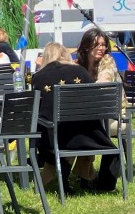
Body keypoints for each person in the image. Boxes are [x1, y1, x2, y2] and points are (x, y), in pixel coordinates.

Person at [33, 41, 118, 192]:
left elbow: (40, 108)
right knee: (83, 125)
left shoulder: (39, 77)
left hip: (56, 136)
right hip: (90, 136)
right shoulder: (80, 71)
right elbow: (94, 100)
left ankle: (60, 180)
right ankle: (96, 183)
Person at [75, 28, 127, 138]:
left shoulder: (107, 60)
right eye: (97, 45)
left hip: (115, 117)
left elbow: (103, 84)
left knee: (79, 129)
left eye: (104, 45)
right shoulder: (79, 64)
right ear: (86, 46)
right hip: (90, 114)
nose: (101, 48)